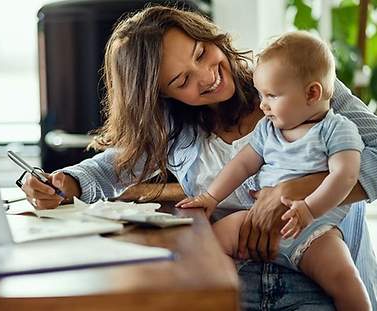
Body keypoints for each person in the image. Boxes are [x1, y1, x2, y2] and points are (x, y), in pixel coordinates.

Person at [21, 5, 377, 310]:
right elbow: (109, 167)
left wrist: (298, 190)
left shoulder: (296, 80)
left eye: (201, 52)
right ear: (161, 96)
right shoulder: (175, 127)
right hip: (236, 285)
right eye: (182, 80)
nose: (207, 76)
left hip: (323, 284)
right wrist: (63, 182)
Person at [176, 31, 370, 310]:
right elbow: (242, 164)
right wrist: (211, 197)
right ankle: (228, 299)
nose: (262, 104)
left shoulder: (337, 129)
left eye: (271, 95)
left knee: (345, 279)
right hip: (256, 221)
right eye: (260, 94)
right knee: (210, 244)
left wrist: (309, 209)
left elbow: (345, 176)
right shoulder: (269, 129)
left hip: (314, 231)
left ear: (312, 93)